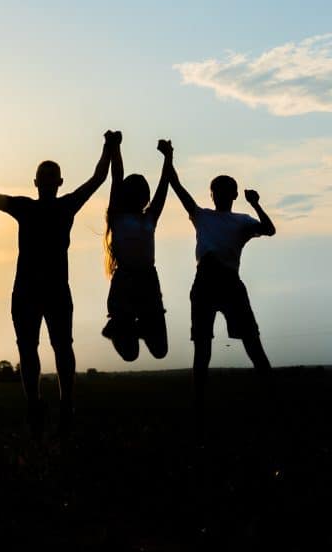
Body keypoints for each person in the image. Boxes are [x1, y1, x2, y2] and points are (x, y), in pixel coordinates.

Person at [0, 133, 119, 435]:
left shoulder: (59, 206)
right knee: (34, 350)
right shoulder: (33, 207)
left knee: (58, 348)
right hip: (30, 291)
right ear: (38, 182)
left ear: (57, 182)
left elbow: (99, 177)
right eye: (45, 177)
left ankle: (64, 405)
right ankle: (38, 405)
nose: (49, 181)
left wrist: (108, 147)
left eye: (51, 177)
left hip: (50, 291)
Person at [167, 151, 276, 398]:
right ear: (212, 194)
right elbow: (177, 186)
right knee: (202, 348)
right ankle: (199, 403)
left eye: (226, 191)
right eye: (217, 191)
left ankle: (272, 396)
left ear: (234, 195)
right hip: (205, 282)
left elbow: (269, 230)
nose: (221, 195)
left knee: (252, 343)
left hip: (229, 283)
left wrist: (256, 204)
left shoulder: (242, 220)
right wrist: (169, 157)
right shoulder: (202, 215)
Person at [101, 136, 172, 361]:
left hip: (149, 281)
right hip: (125, 281)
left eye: (143, 194)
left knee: (161, 351)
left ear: (146, 198)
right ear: (126, 195)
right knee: (130, 355)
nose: (141, 197)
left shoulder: (150, 216)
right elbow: (116, 177)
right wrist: (116, 148)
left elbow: (164, 186)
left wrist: (168, 157)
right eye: (136, 192)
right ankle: (121, 327)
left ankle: (129, 326)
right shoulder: (117, 216)